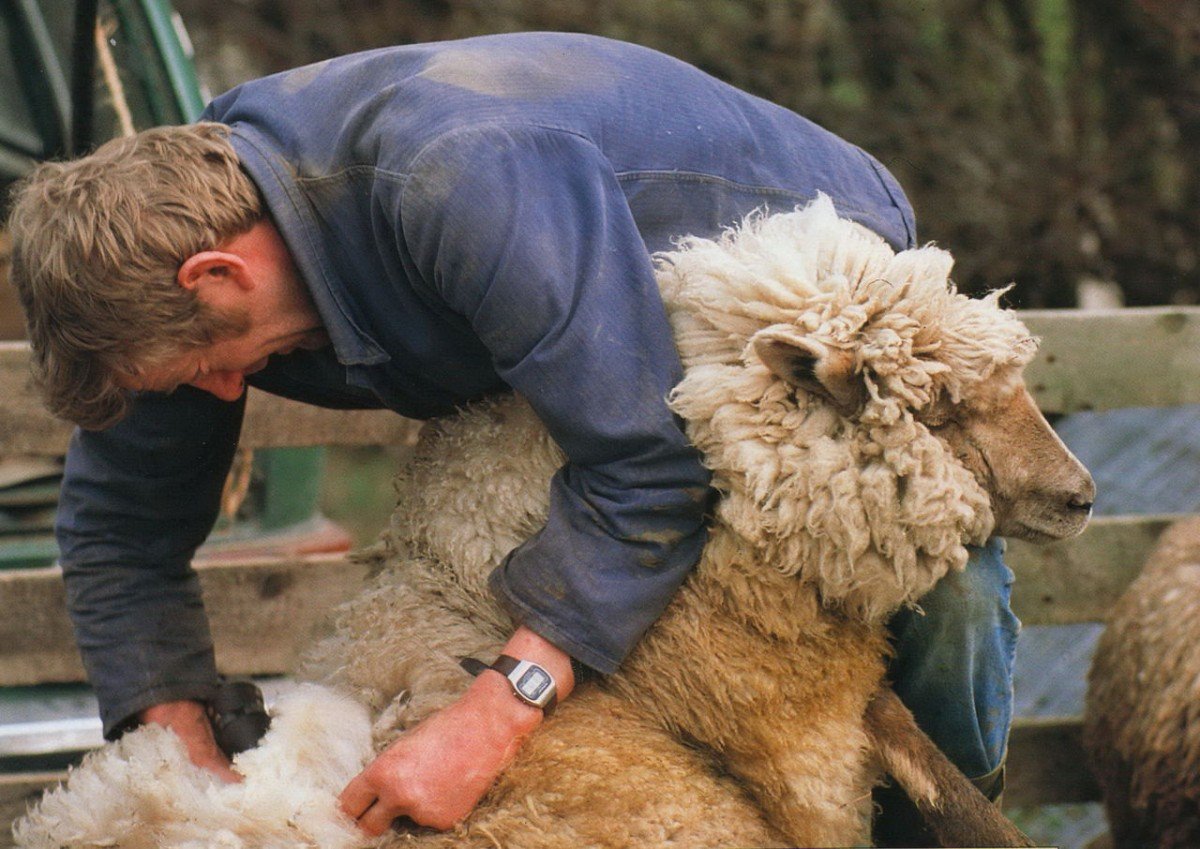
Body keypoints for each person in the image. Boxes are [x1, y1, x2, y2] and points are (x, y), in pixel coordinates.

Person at [7, 32, 1015, 839]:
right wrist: (170, 728)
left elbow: (641, 469)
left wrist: (488, 720)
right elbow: (123, 527)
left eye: (203, 369)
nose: (215, 392)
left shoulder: (457, 180)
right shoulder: (171, 243)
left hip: (802, 302)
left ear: (216, 278)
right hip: (568, 340)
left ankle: (950, 818)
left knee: (932, 587)